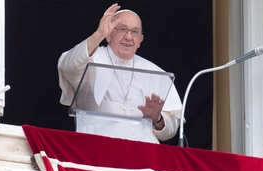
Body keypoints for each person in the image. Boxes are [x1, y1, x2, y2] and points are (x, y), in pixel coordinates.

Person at [57, 3, 182, 144]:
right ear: (108, 35)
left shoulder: (156, 73)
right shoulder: (92, 57)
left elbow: (172, 129)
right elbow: (67, 67)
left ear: (140, 40)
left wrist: (157, 119)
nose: (129, 37)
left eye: (134, 32)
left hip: (144, 151)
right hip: (97, 144)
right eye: (123, 29)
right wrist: (98, 35)